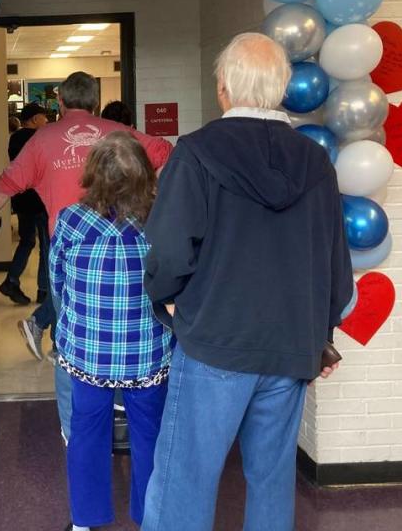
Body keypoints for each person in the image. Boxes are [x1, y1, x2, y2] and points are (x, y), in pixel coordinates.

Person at [140, 33, 354, 531]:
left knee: (185, 478)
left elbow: (168, 251)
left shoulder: (195, 153)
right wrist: (321, 335)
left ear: (222, 89)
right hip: (290, 345)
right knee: (272, 479)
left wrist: (170, 302)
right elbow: (333, 260)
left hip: (216, 341)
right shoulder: (316, 162)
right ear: (281, 87)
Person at [0, 71, 173, 440]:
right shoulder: (120, 134)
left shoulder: (42, 139)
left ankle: (74, 430)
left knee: (69, 335)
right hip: (127, 243)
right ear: (96, 104)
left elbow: (6, 184)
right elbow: (167, 153)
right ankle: (128, 411)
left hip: (71, 247)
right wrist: (154, 199)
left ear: (62, 103)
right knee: (130, 328)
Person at [53, 132, 174, 531]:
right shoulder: (161, 221)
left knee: (86, 434)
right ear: (143, 174)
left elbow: (56, 281)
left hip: (87, 350)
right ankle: (150, 516)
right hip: (148, 352)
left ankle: (84, 521)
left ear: (93, 174)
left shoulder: (70, 219)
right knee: (150, 436)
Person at [0, 103, 49, 308]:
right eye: (44, 118)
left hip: (21, 199)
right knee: (46, 244)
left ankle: (11, 280)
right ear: (35, 119)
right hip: (40, 199)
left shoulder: (15, 138)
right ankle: (44, 290)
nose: (46, 121)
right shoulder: (40, 138)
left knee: (27, 241)